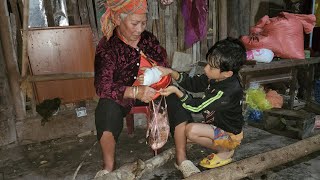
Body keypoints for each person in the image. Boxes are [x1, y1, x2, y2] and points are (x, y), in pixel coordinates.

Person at [94, 0, 200, 178]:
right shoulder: (108, 46)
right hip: (124, 93)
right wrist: (135, 91)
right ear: (119, 20)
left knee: (175, 101)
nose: (140, 29)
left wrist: (156, 74)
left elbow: (163, 62)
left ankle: (182, 159)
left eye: (143, 23)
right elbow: (102, 86)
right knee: (106, 109)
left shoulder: (148, 39)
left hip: (154, 90)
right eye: (134, 23)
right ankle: (108, 167)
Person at [158, 37, 246, 169]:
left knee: (191, 130)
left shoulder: (225, 93)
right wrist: (172, 73)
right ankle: (219, 144)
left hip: (230, 136)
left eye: (211, 67)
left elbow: (196, 106)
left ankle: (225, 151)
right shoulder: (215, 78)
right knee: (187, 135)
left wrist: (177, 91)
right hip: (217, 127)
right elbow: (194, 84)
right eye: (208, 63)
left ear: (227, 74)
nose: (205, 69)